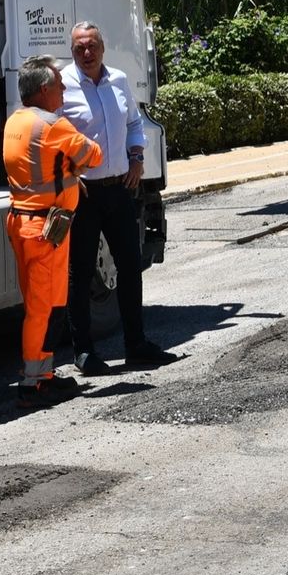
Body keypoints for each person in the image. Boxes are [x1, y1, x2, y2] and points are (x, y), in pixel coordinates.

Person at [60, 22, 178, 375]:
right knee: (81, 274)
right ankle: (84, 352)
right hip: (83, 193)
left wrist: (137, 156)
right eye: (79, 47)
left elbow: (133, 123)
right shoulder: (62, 85)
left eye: (92, 46)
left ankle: (136, 345)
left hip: (118, 189)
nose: (86, 52)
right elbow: (51, 135)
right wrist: (66, 175)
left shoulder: (119, 80)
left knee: (129, 266)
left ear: (102, 47)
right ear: (72, 50)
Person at [3, 55, 101, 409]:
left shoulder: (15, 121)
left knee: (37, 305)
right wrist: (72, 166)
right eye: (60, 85)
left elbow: (43, 165)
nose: (64, 90)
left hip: (22, 222)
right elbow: (95, 155)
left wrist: (65, 168)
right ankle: (33, 383)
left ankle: (41, 374)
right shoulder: (54, 125)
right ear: (44, 89)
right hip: (46, 229)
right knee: (47, 308)